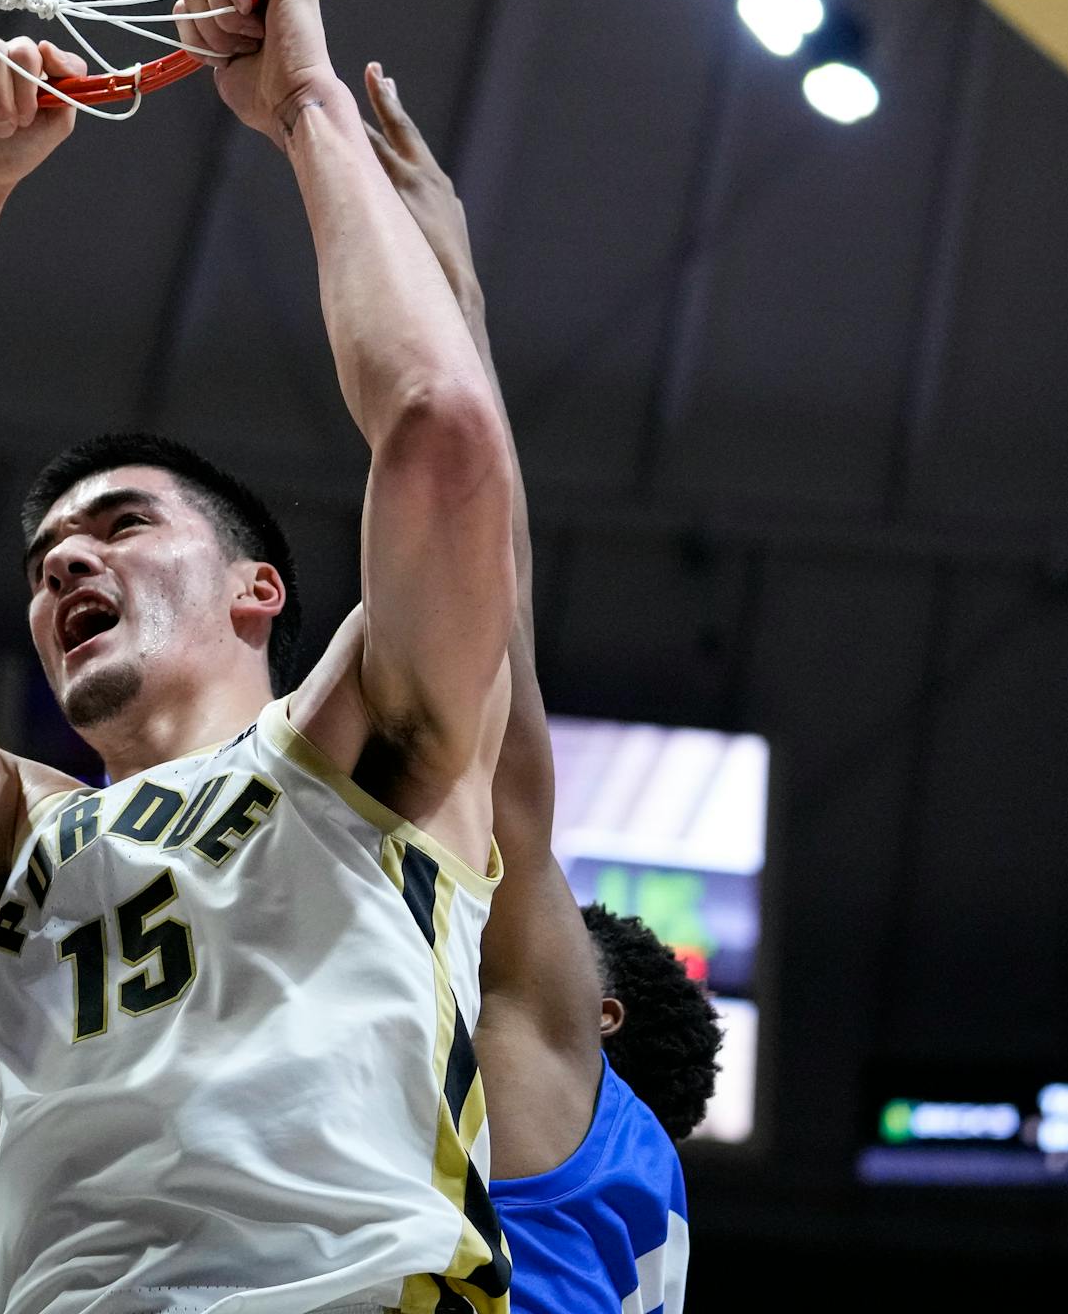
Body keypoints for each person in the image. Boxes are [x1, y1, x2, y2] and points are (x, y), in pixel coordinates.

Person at [0, 0, 518, 1314]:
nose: (69, 556)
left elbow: (441, 432)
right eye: (44, 560)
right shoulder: (21, 839)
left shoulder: (372, 749)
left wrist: (304, 105)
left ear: (260, 589)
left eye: (126, 523)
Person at [362, 66, 725, 1314]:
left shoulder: (550, 1086)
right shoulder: (634, 1212)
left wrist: (454, 295)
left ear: (594, 1016)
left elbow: (500, 698)